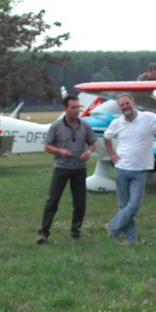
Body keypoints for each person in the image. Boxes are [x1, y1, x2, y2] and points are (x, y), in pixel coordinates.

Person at [104, 93, 156, 243]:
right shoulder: (117, 123)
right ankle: (131, 239)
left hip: (140, 171)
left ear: (133, 103)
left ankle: (112, 227)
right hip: (121, 169)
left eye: (127, 103)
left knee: (134, 206)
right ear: (120, 108)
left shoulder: (148, 118)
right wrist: (112, 155)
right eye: (122, 105)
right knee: (123, 205)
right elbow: (107, 137)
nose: (125, 107)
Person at [37, 95, 97, 244]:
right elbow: (47, 146)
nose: (77, 110)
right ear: (65, 109)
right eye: (73, 108)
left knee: (80, 203)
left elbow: (93, 144)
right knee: (52, 201)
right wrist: (60, 151)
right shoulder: (56, 126)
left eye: (78, 107)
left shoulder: (85, 126)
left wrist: (88, 153)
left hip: (79, 169)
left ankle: (75, 232)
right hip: (61, 168)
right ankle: (43, 233)